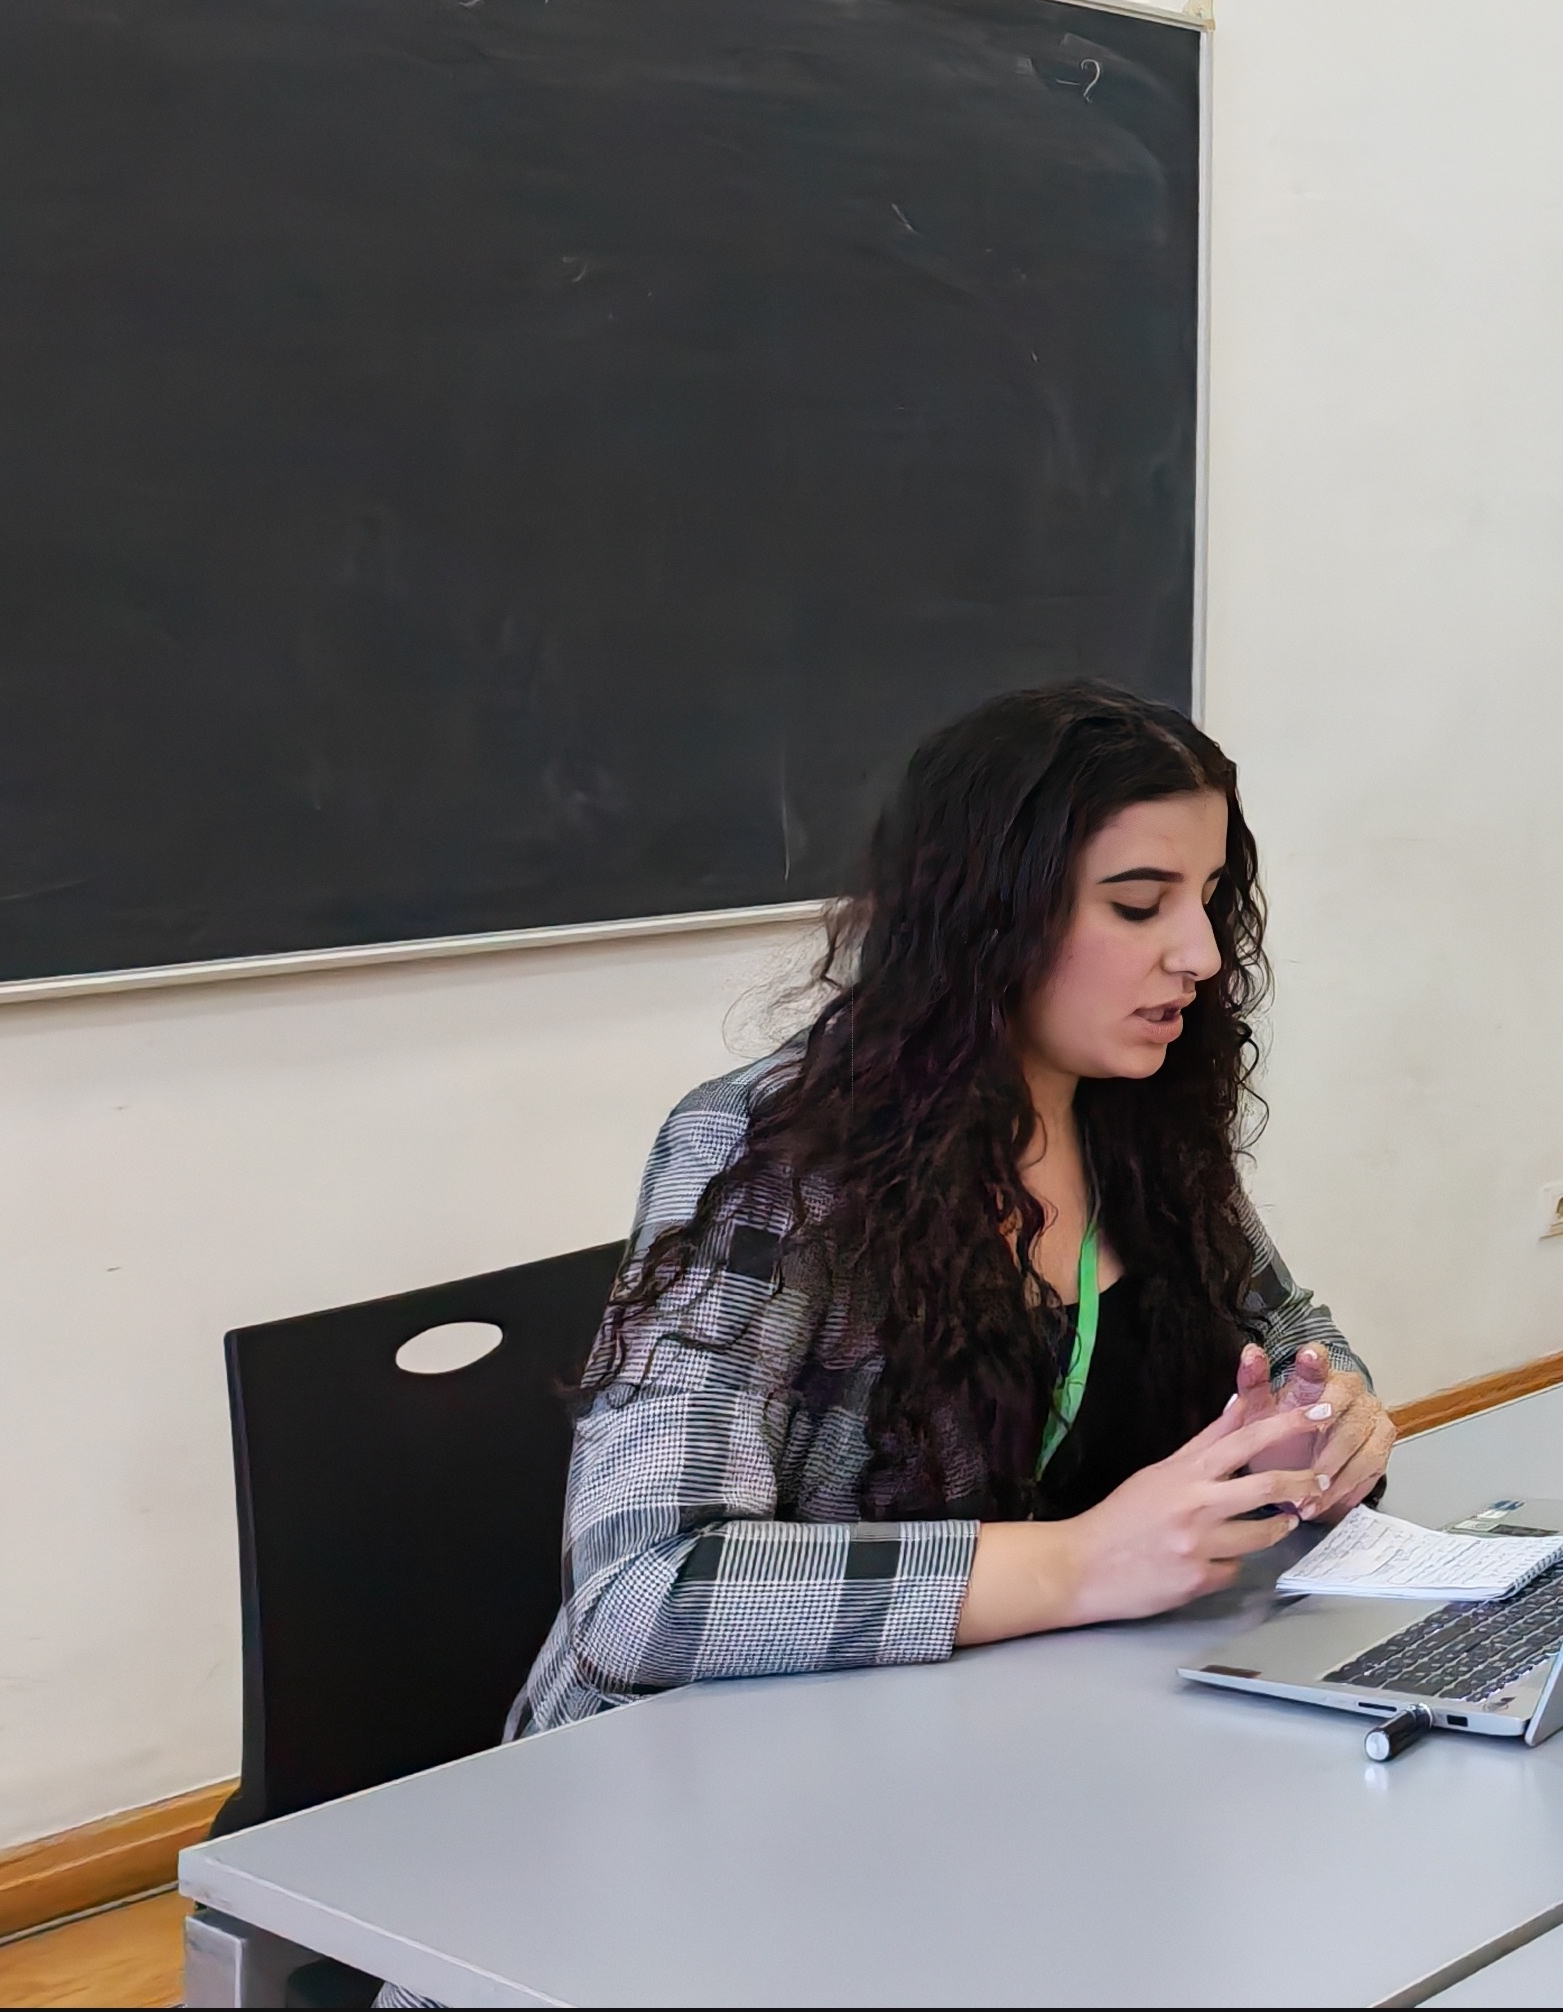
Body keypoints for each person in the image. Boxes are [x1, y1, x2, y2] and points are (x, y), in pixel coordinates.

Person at [514, 682, 1397, 1733]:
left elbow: (1291, 1329)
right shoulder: (771, 1151)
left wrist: (1321, 1418)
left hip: (1039, 1727)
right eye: (1136, 904)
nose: (1202, 955)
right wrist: (1075, 1563)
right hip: (733, 1766)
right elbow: (641, 1594)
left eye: (1209, 897)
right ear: (987, 913)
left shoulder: (1141, 1115)